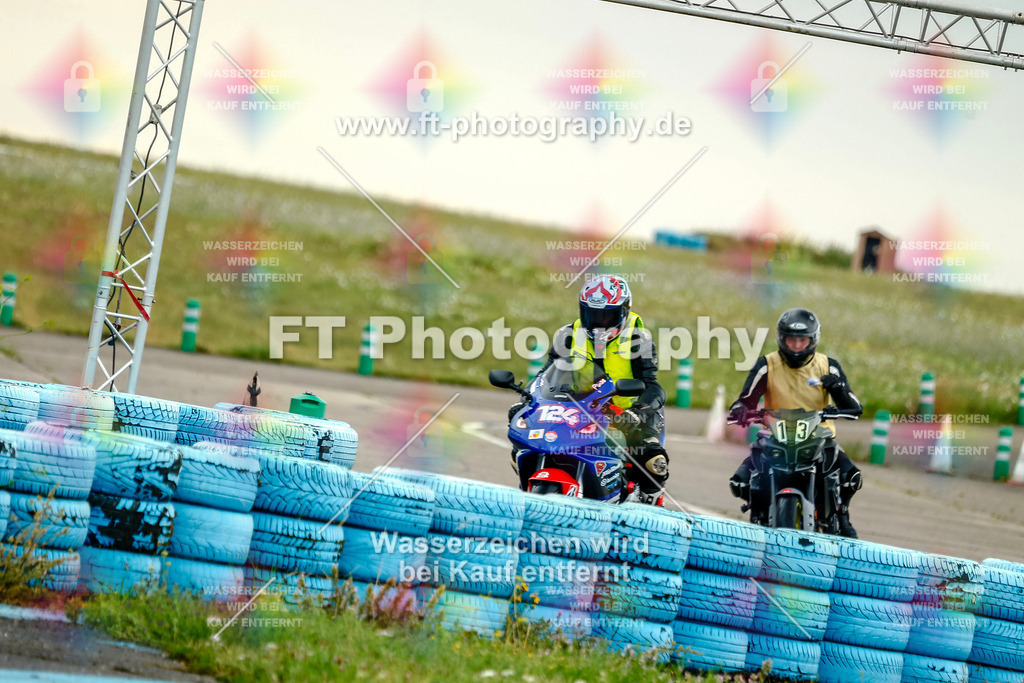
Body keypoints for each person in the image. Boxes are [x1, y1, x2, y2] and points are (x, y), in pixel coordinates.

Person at [508, 274, 668, 504]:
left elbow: (653, 386)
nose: (599, 323)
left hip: (627, 412)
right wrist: (527, 402)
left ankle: (652, 508)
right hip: (581, 408)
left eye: (607, 315)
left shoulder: (638, 339)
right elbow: (545, 376)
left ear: (624, 311)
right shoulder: (567, 334)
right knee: (524, 438)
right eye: (592, 315)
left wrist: (638, 412)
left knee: (654, 461)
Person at [727, 307, 864, 537]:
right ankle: (758, 513)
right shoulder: (766, 365)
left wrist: (837, 389)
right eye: (792, 340)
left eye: (802, 340)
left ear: (813, 340)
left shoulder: (827, 365)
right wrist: (742, 410)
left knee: (852, 477)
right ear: (782, 339)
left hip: (819, 436)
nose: (797, 346)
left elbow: (854, 406)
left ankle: (842, 514)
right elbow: (745, 399)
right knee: (740, 481)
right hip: (774, 435)